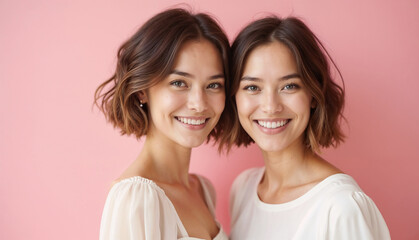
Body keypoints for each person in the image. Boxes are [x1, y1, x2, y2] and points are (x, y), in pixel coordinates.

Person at [228, 16, 391, 239]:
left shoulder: (341, 207)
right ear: (234, 97)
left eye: (289, 86)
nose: (270, 106)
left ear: (313, 95)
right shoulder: (243, 189)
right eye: (252, 87)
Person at [95, 8, 234, 240]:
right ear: (142, 91)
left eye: (213, 85)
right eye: (179, 83)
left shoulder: (202, 190)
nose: (199, 104)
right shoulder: (134, 198)